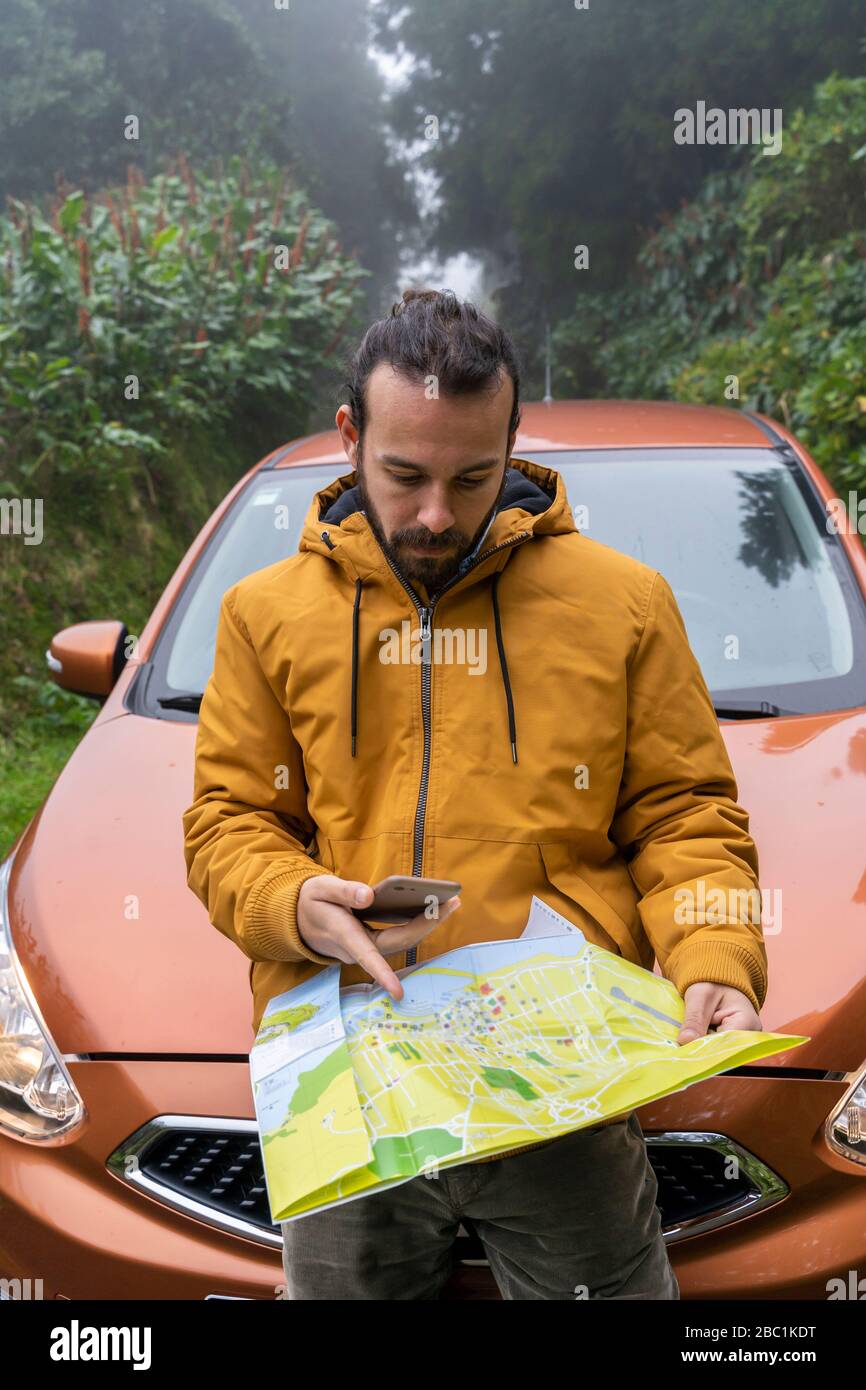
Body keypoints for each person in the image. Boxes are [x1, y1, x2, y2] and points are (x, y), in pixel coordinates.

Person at [182, 288, 768, 1300]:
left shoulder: (622, 604)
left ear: (513, 441)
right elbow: (233, 822)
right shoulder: (262, 615)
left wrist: (713, 953)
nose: (434, 515)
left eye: (471, 476)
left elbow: (682, 816)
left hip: (561, 1086)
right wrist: (292, 903)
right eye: (403, 474)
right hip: (343, 1079)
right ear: (349, 436)